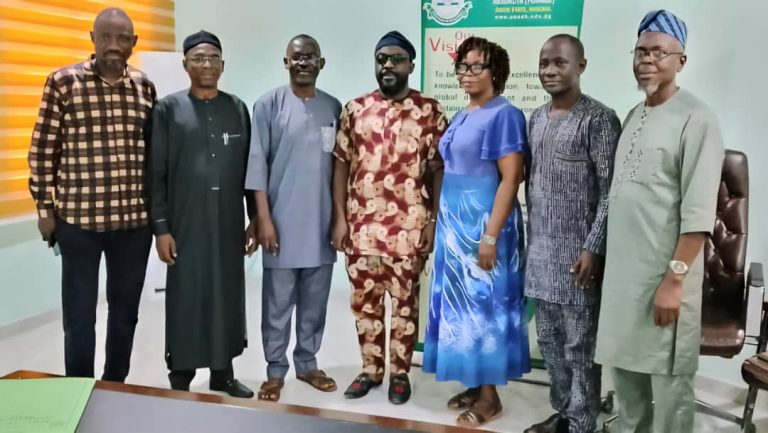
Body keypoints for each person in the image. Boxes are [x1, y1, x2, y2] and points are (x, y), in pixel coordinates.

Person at [595, 10, 725, 433]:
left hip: (665, 279)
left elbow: (699, 214)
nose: (647, 59)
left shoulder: (697, 118)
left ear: (681, 61)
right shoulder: (634, 114)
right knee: (626, 380)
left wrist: (674, 280)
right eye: (641, 51)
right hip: (623, 282)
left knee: (670, 390)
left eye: (659, 52)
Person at [28, 8, 155, 382]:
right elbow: (42, 151)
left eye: (123, 38)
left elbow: (154, 154)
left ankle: (115, 384)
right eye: (106, 37)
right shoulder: (63, 83)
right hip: (78, 224)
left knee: (125, 313)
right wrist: (44, 209)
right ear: (93, 39)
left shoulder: (145, 88)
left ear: (133, 42)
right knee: (79, 316)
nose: (114, 45)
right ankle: (79, 388)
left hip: (134, 225)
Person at [332, 30, 446, 405]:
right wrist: (340, 219)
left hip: (409, 231)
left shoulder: (430, 111)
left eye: (397, 59)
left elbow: (439, 170)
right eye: (382, 59)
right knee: (365, 306)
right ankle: (370, 370)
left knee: (405, 308)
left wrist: (432, 222)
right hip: (361, 230)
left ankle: (399, 373)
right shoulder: (355, 110)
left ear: (411, 65)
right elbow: (341, 165)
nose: (388, 65)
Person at [421, 36, 530, 427]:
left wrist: (491, 235)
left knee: (485, 307)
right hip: (455, 228)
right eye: (462, 67)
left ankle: (489, 398)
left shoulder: (505, 114)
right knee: (462, 310)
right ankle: (473, 380)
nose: (465, 74)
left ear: (495, 71)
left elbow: (511, 178)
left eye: (475, 66)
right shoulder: (464, 112)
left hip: (484, 225)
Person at [150, 30, 256, 398]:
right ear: (185, 64)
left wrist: (253, 219)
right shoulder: (167, 110)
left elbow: (250, 171)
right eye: (198, 58)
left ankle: (222, 374)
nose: (206, 64)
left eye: (213, 58)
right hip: (185, 223)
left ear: (223, 65)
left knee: (226, 294)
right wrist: (161, 228)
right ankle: (180, 376)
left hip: (228, 222)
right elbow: (156, 173)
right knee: (187, 296)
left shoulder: (237, 108)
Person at [523, 34, 621, 433]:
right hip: (540, 256)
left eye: (559, 62)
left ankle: (582, 422)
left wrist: (593, 248)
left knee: (579, 346)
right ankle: (563, 412)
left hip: (578, 259)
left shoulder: (598, 119)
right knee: (549, 343)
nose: (549, 70)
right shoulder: (536, 118)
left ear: (581, 66)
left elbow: (611, 191)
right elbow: (531, 187)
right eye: (544, 63)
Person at [246, 34, 341, 402]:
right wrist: (263, 219)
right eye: (297, 57)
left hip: (320, 223)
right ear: (286, 62)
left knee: (315, 302)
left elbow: (339, 169)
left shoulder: (333, 108)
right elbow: (257, 164)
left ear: (322, 63)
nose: (303, 62)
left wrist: (339, 219)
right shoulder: (268, 105)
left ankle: (307, 363)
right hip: (281, 224)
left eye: (310, 56)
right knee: (277, 304)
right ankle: (275, 371)